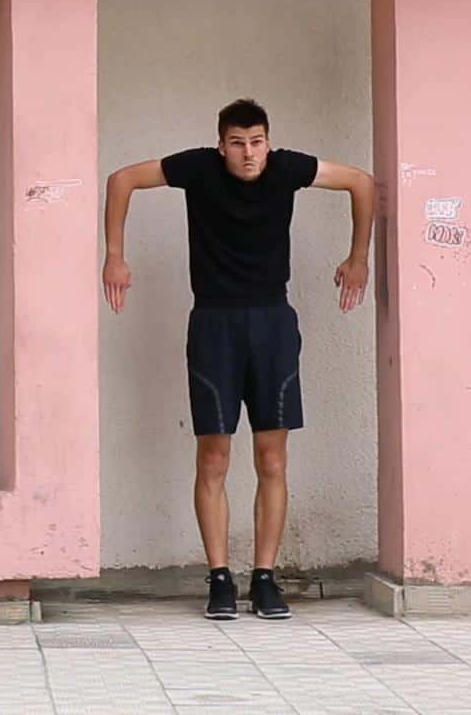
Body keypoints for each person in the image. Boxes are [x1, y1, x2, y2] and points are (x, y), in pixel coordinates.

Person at [102, 98, 375, 620]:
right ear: (221, 144)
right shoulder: (198, 168)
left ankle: (266, 579)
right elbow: (121, 180)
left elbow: (362, 183)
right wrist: (115, 255)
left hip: (272, 323)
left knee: (272, 458)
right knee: (214, 457)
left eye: (257, 142)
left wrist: (358, 258)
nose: (249, 154)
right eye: (237, 143)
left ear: (268, 142)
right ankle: (220, 577)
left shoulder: (288, 167)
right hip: (214, 324)